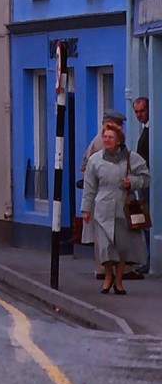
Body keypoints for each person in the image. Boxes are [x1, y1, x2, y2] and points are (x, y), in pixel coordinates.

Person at [81, 123, 150, 295]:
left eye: (111, 137)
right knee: (105, 247)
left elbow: (145, 178)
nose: (106, 140)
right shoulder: (95, 160)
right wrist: (86, 209)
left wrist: (132, 182)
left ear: (119, 140)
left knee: (122, 248)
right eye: (105, 136)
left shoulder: (131, 158)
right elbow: (89, 187)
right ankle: (108, 276)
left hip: (123, 208)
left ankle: (118, 280)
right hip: (103, 207)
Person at [78, 109, 126, 279]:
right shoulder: (103, 143)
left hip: (101, 194)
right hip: (103, 195)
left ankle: (105, 270)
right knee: (104, 236)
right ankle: (103, 271)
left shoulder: (97, 140)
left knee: (105, 235)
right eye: (119, 124)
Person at [132, 96, 150, 274]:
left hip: (148, 183)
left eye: (142, 111)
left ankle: (150, 259)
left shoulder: (151, 130)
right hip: (143, 183)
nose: (139, 115)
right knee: (143, 220)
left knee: (146, 220)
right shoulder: (145, 130)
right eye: (136, 112)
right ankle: (147, 259)